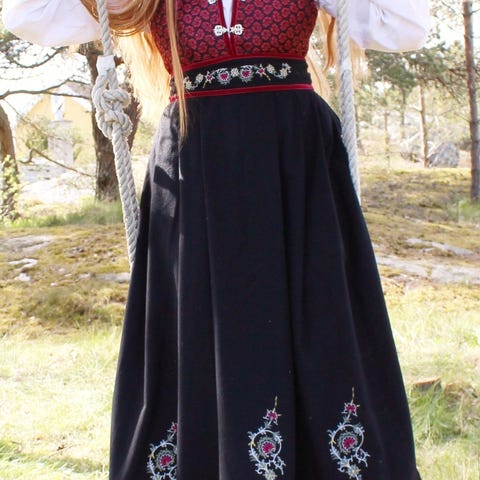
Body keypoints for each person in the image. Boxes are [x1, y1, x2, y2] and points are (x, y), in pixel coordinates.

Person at [3, 1, 431, 479]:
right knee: (199, 327)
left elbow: (408, 26)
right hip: (195, 170)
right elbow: (26, 15)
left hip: (295, 168)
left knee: (318, 318)